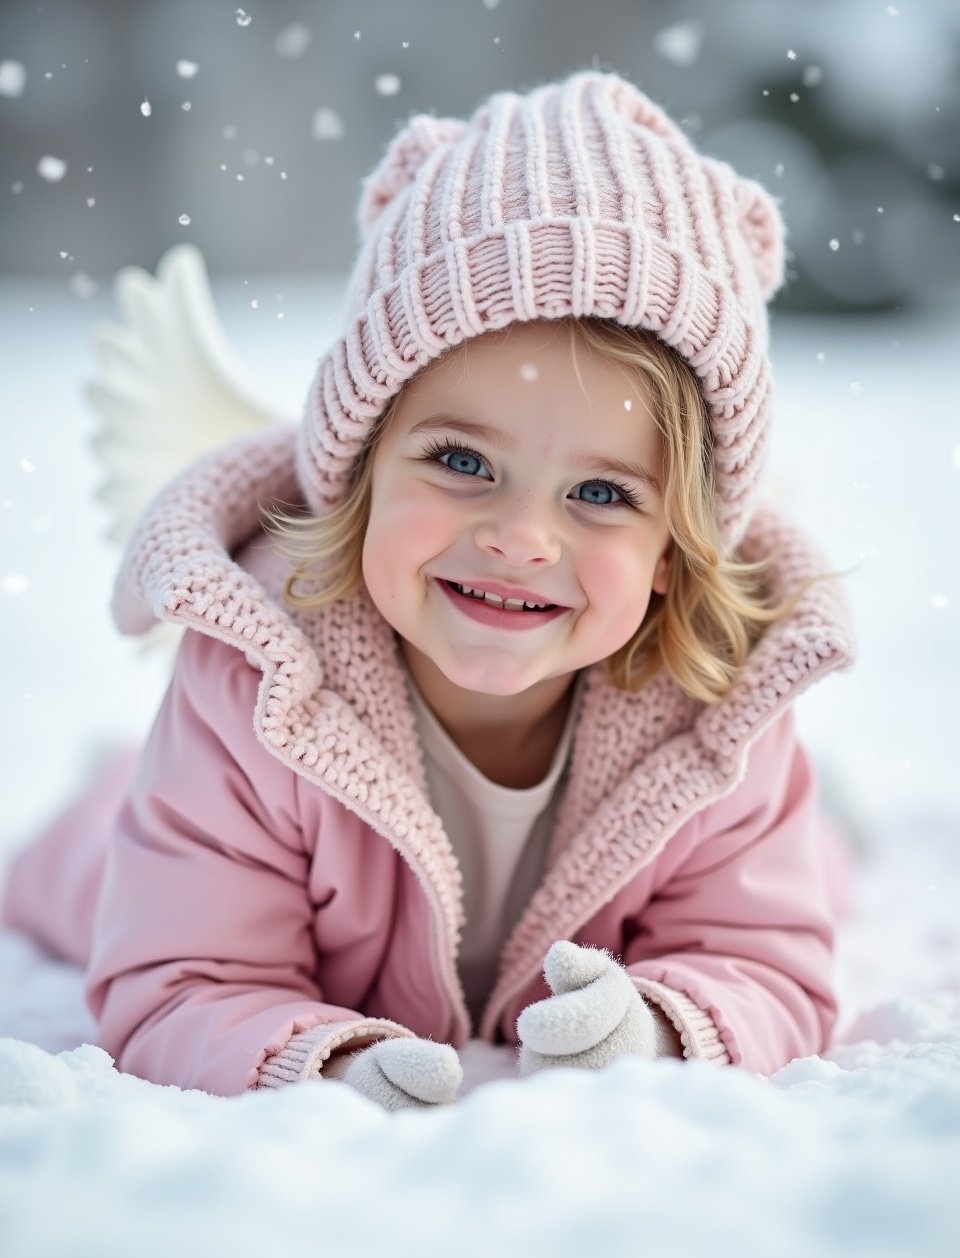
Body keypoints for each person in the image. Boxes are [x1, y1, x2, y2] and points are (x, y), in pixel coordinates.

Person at [2, 69, 855, 1109]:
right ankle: (114, 789)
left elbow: (762, 957)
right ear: (360, 461)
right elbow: (181, 975)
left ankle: (836, 825)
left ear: (675, 549)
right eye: (461, 463)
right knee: (90, 871)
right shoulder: (258, 681)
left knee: (812, 860)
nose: (519, 536)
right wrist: (327, 1063)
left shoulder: (724, 718)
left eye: (598, 491)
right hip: (183, 828)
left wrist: (656, 1030)